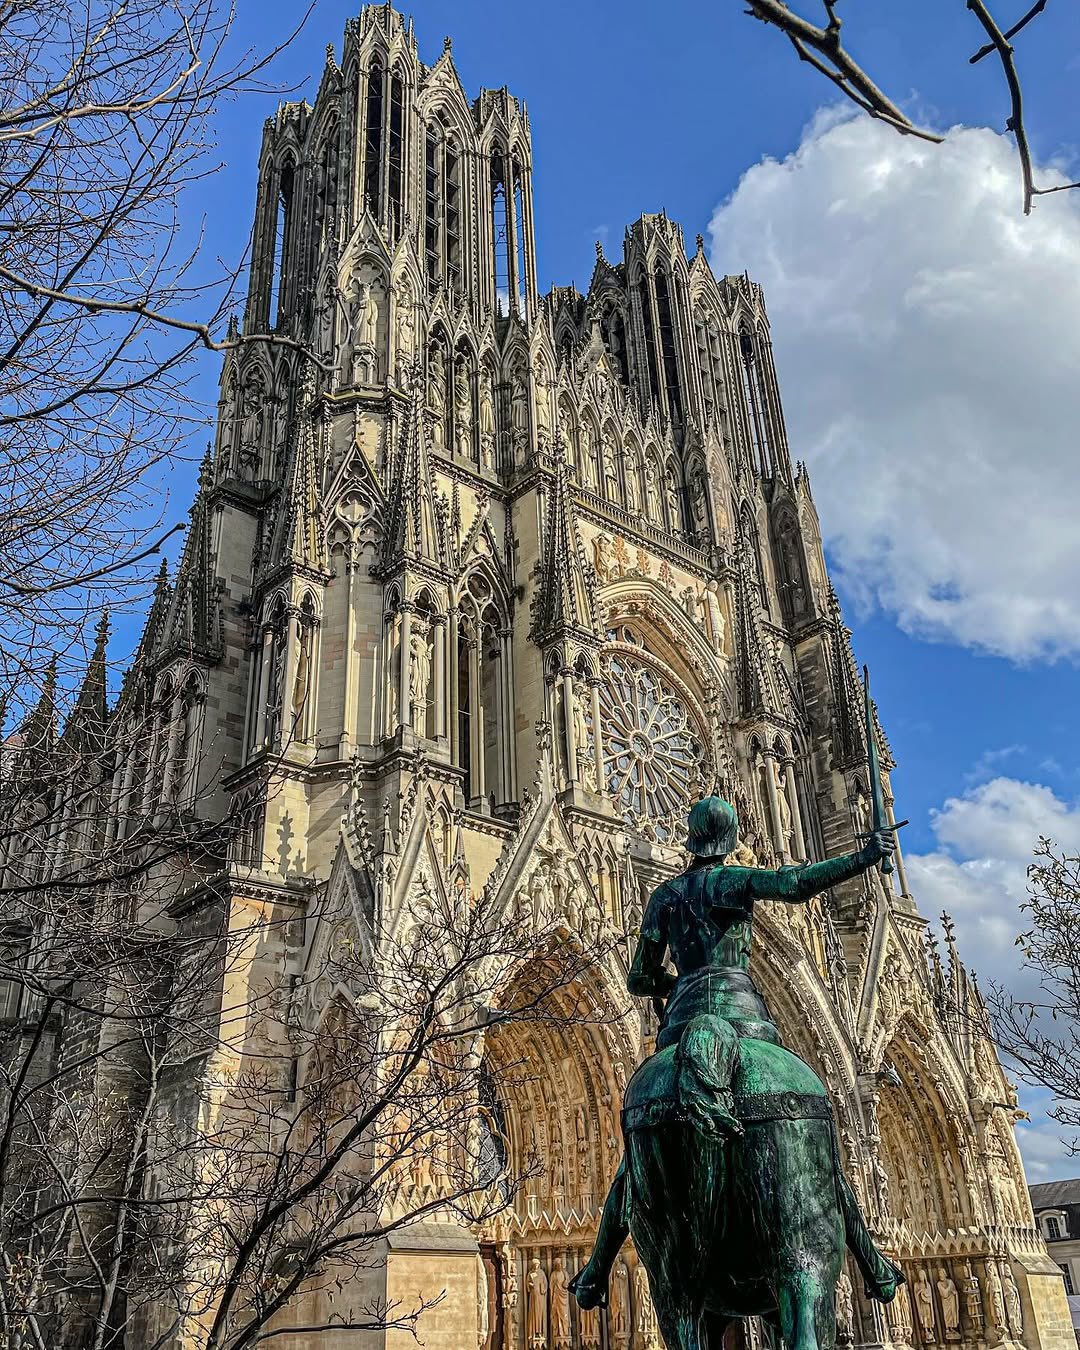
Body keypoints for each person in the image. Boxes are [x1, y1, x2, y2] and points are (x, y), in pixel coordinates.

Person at [571, 795, 903, 1310]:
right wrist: (863, 857)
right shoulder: (733, 881)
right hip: (742, 1011)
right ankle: (871, 1260)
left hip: (680, 1020)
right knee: (827, 1158)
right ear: (728, 840)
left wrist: (670, 982)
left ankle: (596, 1268)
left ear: (690, 836)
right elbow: (797, 884)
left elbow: (638, 978)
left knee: (632, 1165)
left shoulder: (664, 897)